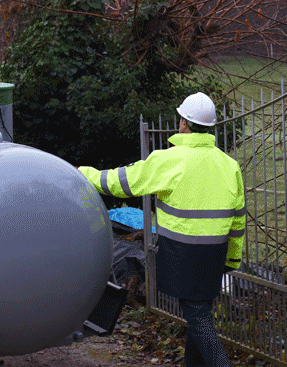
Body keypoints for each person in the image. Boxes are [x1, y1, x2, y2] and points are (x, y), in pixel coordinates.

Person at [78, 92, 245, 367]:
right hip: (215, 254)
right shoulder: (230, 166)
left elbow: (123, 181)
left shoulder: (169, 160)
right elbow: (238, 221)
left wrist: (84, 173)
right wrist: (232, 258)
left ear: (183, 123)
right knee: (199, 314)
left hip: (183, 254)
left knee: (198, 318)